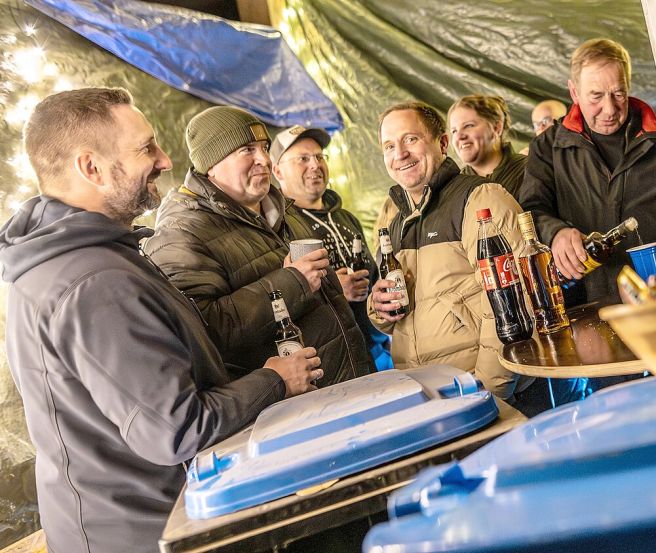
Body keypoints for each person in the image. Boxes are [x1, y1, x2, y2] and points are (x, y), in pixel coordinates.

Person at [0, 87, 321, 553]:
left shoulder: (82, 259)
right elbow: (176, 429)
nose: (166, 159)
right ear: (90, 167)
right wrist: (273, 379)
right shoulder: (94, 282)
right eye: (146, 147)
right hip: (149, 530)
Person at [145, 106, 374, 384]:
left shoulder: (281, 209)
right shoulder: (183, 232)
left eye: (264, 147)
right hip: (292, 408)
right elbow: (205, 331)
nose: (264, 159)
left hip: (348, 379)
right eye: (247, 150)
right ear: (212, 164)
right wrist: (292, 282)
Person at [369, 101, 532, 400]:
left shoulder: (480, 198)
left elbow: (514, 299)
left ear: (442, 143)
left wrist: (488, 389)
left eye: (410, 139)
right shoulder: (397, 226)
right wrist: (379, 309)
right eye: (389, 146)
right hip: (429, 396)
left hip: (480, 394)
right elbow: (410, 316)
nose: (400, 154)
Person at [520, 38, 656, 306]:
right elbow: (532, 211)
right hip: (587, 305)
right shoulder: (548, 149)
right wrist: (555, 233)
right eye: (596, 96)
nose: (610, 108)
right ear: (574, 92)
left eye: (619, 93)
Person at [270, 125, 393, 371]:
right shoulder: (278, 228)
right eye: (303, 159)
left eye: (319, 157)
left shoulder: (345, 217)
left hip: (375, 349)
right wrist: (335, 290)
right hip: (329, 361)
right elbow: (279, 300)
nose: (315, 165)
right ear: (277, 171)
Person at [448, 94, 526, 197]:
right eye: (454, 131)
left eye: (469, 126)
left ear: (496, 128)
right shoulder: (454, 188)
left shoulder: (528, 171)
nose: (459, 136)